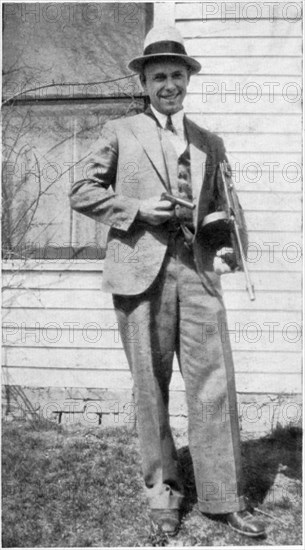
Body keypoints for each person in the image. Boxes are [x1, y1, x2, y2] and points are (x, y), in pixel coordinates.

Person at [70, 26, 266, 538]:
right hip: (141, 275)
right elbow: (81, 190)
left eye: (177, 74)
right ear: (146, 81)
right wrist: (135, 210)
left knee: (213, 385)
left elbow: (226, 203)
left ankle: (224, 498)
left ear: (187, 80)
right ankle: (163, 494)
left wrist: (231, 245)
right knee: (150, 389)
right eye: (159, 76)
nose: (169, 84)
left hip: (198, 272)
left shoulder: (208, 141)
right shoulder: (120, 131)